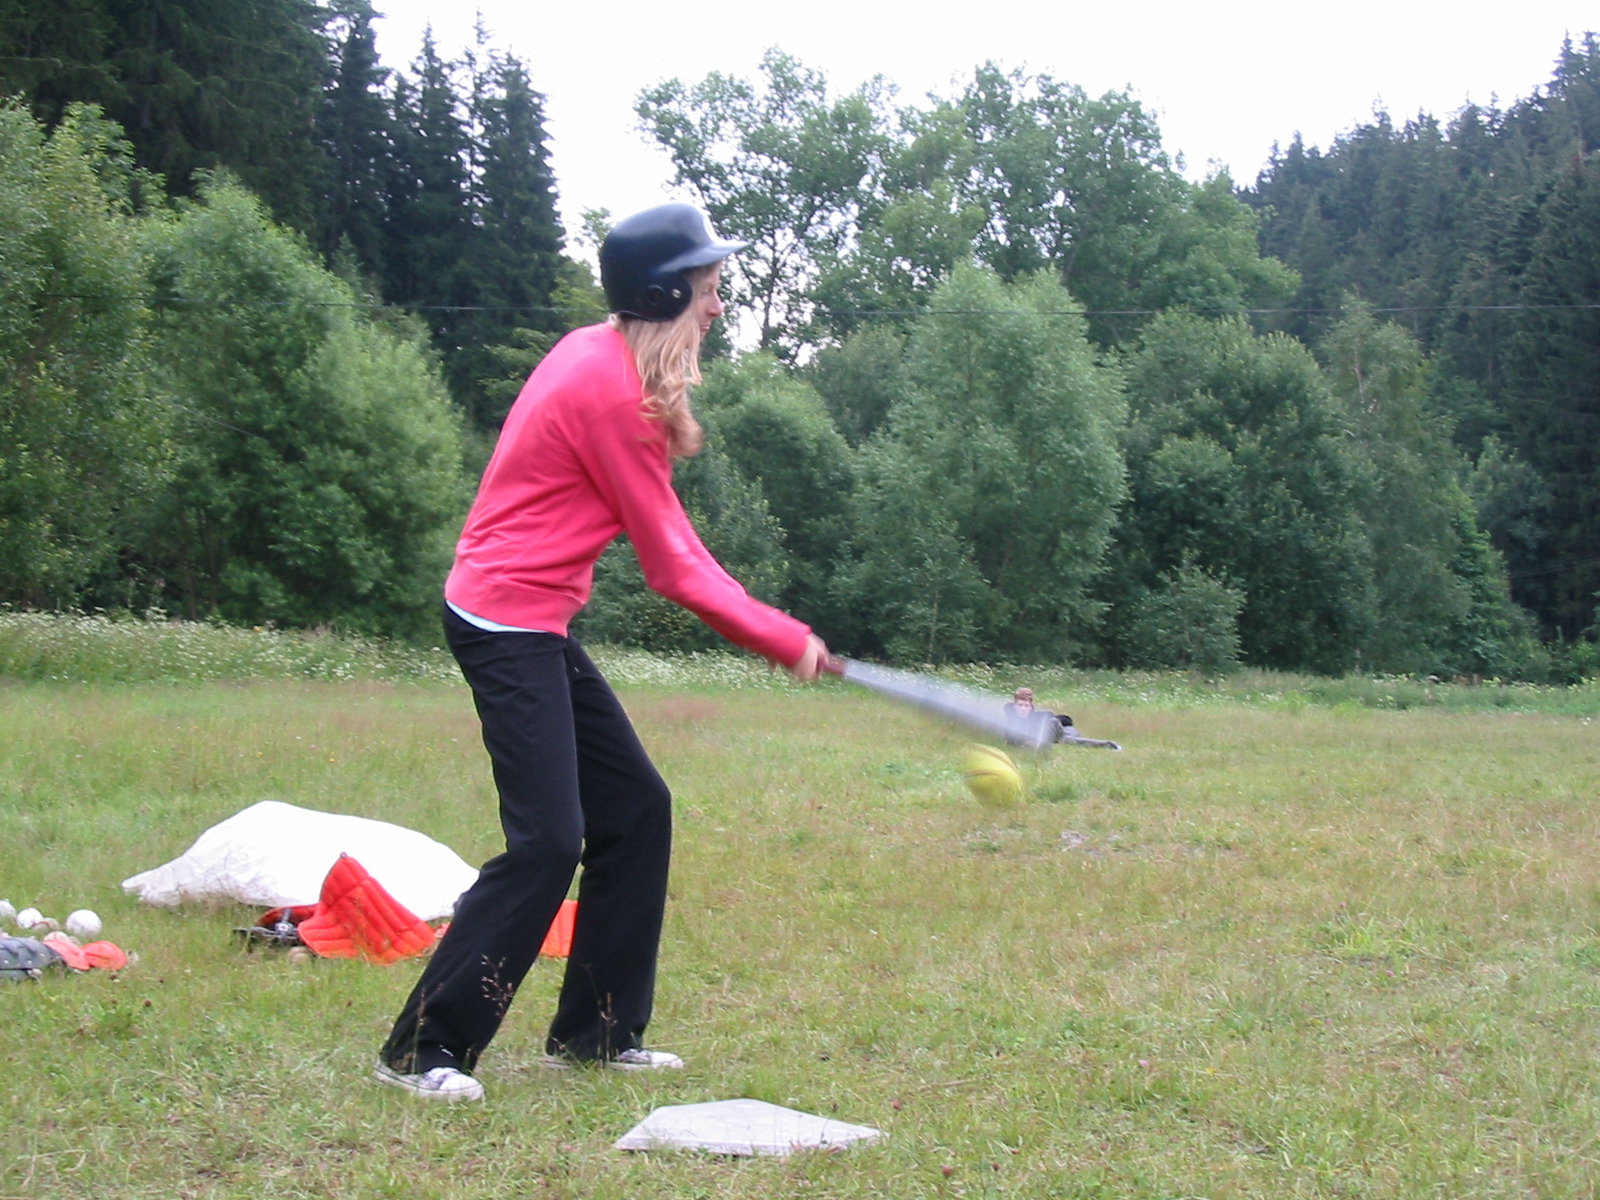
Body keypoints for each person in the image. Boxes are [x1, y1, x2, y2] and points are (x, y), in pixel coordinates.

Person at [372, 204, 830, 1103]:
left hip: (533, 617)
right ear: (661, 295)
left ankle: (598, 1033)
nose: (718, 306)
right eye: (707, 289)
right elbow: (673, 564)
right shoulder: (611, 392)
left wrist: (777, 633)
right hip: (503, 620)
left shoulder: (600, 353)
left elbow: (674, 541)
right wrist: (781, 637)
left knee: (636, 810)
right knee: (549, 842)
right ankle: (423, 1049)